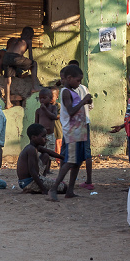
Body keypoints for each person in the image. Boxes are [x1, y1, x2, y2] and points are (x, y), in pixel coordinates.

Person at [47, 65, 92, 202]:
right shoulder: (66, 92)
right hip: (72, 132)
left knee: (77, 162)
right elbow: (71, 111)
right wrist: (84, 101)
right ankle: (54, 188)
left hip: (79, 130)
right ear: (69, 78)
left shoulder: (73, 91)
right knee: (70, 161)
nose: (79, 83)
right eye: (78, 81)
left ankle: (70, 190)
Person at [17, 123, 67, 195]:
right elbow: (32, 171)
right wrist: (43, 189)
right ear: (34, 137)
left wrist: (62, 157)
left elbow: (49, 152)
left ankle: (42, 180)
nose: (45, 139)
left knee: (46, 155)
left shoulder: (35, 146)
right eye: (43, 136)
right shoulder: (31, 150)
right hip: (29, 182)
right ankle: (35, 187)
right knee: (64, 187)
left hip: (25, 181)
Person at [67, 60, 94, 190]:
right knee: (86, 152)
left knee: (72, 154)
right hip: (85, 122)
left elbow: (71, 110)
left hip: (75, 125)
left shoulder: (70, 91)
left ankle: (64, 182)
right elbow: (91, 105)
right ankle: (89, 180)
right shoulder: (84, 88)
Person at [1, 27, 41, 108]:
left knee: (8, 81)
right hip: (15, 58)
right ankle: (34, 87)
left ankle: (8, 102)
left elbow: (10, 51)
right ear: (31, 35)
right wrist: (29, 66)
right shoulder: (28, 41)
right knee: (34, 64)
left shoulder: (15, 40)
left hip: (6, 57)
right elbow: (30, 57)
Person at [34, 88, 58, 175]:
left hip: (50, 135)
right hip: (41, 136)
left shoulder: (53, 108)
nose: (42, 100)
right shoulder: (38, 111)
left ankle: (47, 169)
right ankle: (41, 169)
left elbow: (54, 117)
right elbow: (36, 123)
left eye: (44, 98)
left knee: (50, 153)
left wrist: (45, 110)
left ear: (51, 98)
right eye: (40, 98)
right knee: (42, 153)